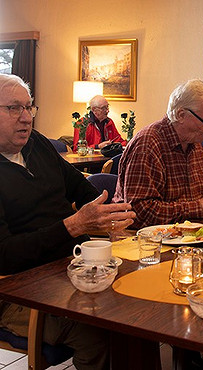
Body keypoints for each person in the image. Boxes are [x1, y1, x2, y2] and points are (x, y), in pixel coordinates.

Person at [0, 74, 136, 369]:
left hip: (67, 268)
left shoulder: (35, 143)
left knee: (135, 306)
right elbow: (5, 256)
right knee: (97, 332)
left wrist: (106, 216)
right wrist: (73, 225)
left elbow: (79, 186)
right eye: (13, 108)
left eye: (29, 107)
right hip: (15, 291)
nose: (26, 118)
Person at [114, 79, 203, 229]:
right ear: (181, 115)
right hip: (145, 242)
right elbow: (139, 212)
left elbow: (199, 191)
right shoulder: (148, 144)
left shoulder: (194, 143)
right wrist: (197, 208)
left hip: (187, 236)